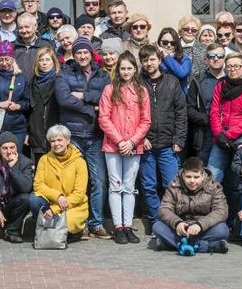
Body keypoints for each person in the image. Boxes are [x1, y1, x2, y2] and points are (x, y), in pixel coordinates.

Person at [54, 41, 111, 238]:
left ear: (91, 54)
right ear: (74, 54)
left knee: (98, 181)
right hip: (74, 134)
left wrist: (83, 95)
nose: (82, 56)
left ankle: (96, 223)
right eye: (79, 53)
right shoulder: (64, 73)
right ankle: (79, 223)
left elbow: (107, 97)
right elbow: (63, 99)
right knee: (74, 182)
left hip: (96, 135)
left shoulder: (103, 75)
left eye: (86, 52)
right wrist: (90, 107)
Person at [98, 52, 152, 244]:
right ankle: (118, 226)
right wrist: (120, 140)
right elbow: (104, 118)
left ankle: (128, 225)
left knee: (129, 187)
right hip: (113, 145)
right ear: (118, 70)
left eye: (130, 68)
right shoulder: (109, 89)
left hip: (134, 145)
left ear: (135, 70)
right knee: (115, 186)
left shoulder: (141, 91)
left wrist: (132, 141)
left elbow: (146, 120)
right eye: (123, 68)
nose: (126, 72)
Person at [138, 44, 186, 228]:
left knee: (171, 186)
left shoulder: (172, 81)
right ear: (141, 62)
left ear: (159, 60)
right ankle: (155, 221)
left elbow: (181, 112)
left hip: (168, 144)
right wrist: (141, 138)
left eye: (152, 59)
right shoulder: (137, 82)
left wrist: (179, 139)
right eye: (145, 60)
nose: (149, 63)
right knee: (149, 186)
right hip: (146, 144)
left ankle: (170, 220)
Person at [151, 156, 229, 254]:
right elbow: (164, 209)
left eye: (196, 177)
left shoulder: (214, 187)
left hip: (202, 229)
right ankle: (209, 246)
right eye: (188, 177)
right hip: (180, 229)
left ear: (203, 176)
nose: (192, 181)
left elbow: (221, 211)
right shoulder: (174, 186)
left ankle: (174, 245)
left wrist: (200, 225)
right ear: (183, 175)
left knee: (222, 230)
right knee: (157, 227)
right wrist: (177, 223)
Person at [203, 53, 242, 189]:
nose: (232, 69)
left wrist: (229, 135)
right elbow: (214, 111)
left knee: (240, 177)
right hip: (220, 136)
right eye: (229, 67)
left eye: (236, 66)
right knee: (212, 176)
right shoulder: (221, 85)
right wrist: (219, 134)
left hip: (240, 138)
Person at [30, 124, 89, 241]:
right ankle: (47, 228)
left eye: (60, 140)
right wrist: (58, 197)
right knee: (33, 199)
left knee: (69, 222)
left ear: (68, 141)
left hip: (73, 205)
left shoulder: (80, 162)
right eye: (52, 141)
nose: (56, 144)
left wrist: (55, 209)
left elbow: (79, 194)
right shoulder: (44, 160)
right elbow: (38, 185)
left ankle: (72, 232)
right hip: (51, 201)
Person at [186, 44, 226, 161]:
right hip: (205, 133)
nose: (216, 58)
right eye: (212, 56)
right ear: (206, 59)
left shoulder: (232, 79)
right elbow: (189, 108)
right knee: (204, 171)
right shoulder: (198, 81)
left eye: (220, 55)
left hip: (228, 132)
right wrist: (209, 120)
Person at [27, 47, 61, 164]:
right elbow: (30, 108)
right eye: (41, 60)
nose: (44, 63)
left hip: (55, 131)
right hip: (36, 131)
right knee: (40, 167)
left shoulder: (59, 80)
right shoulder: (33, 81)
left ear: (53, 61)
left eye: (47, 59)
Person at [13, 12, 54, 77]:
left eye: (27, 27)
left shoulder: (46, 45)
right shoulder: (12, 47)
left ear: (35, 26)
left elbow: (54, 68)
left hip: (39, 85)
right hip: (18, 85)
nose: (24, 30)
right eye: (20, 28)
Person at [157, 27, 192, 93]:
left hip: (178, 99)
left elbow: (182, 74)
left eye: (172, 43)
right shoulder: (154, 58)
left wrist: (166, 56)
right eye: (165, 42)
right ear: (159, 42)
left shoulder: (184, 59)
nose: (169, 45)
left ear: (176, 44)